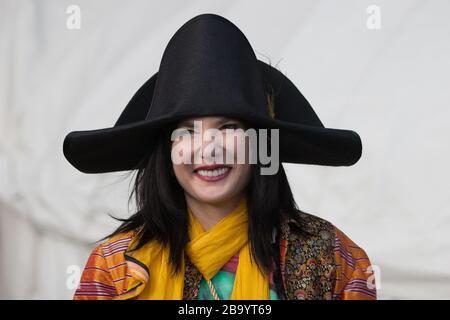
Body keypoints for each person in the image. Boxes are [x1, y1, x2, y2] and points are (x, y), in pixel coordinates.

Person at [63, 13, 376, 300]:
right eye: (187, 131)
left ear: (260, 144)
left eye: (228, 128)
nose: (209, 148)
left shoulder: (331, 257)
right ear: (167, 152)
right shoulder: (114, 267)